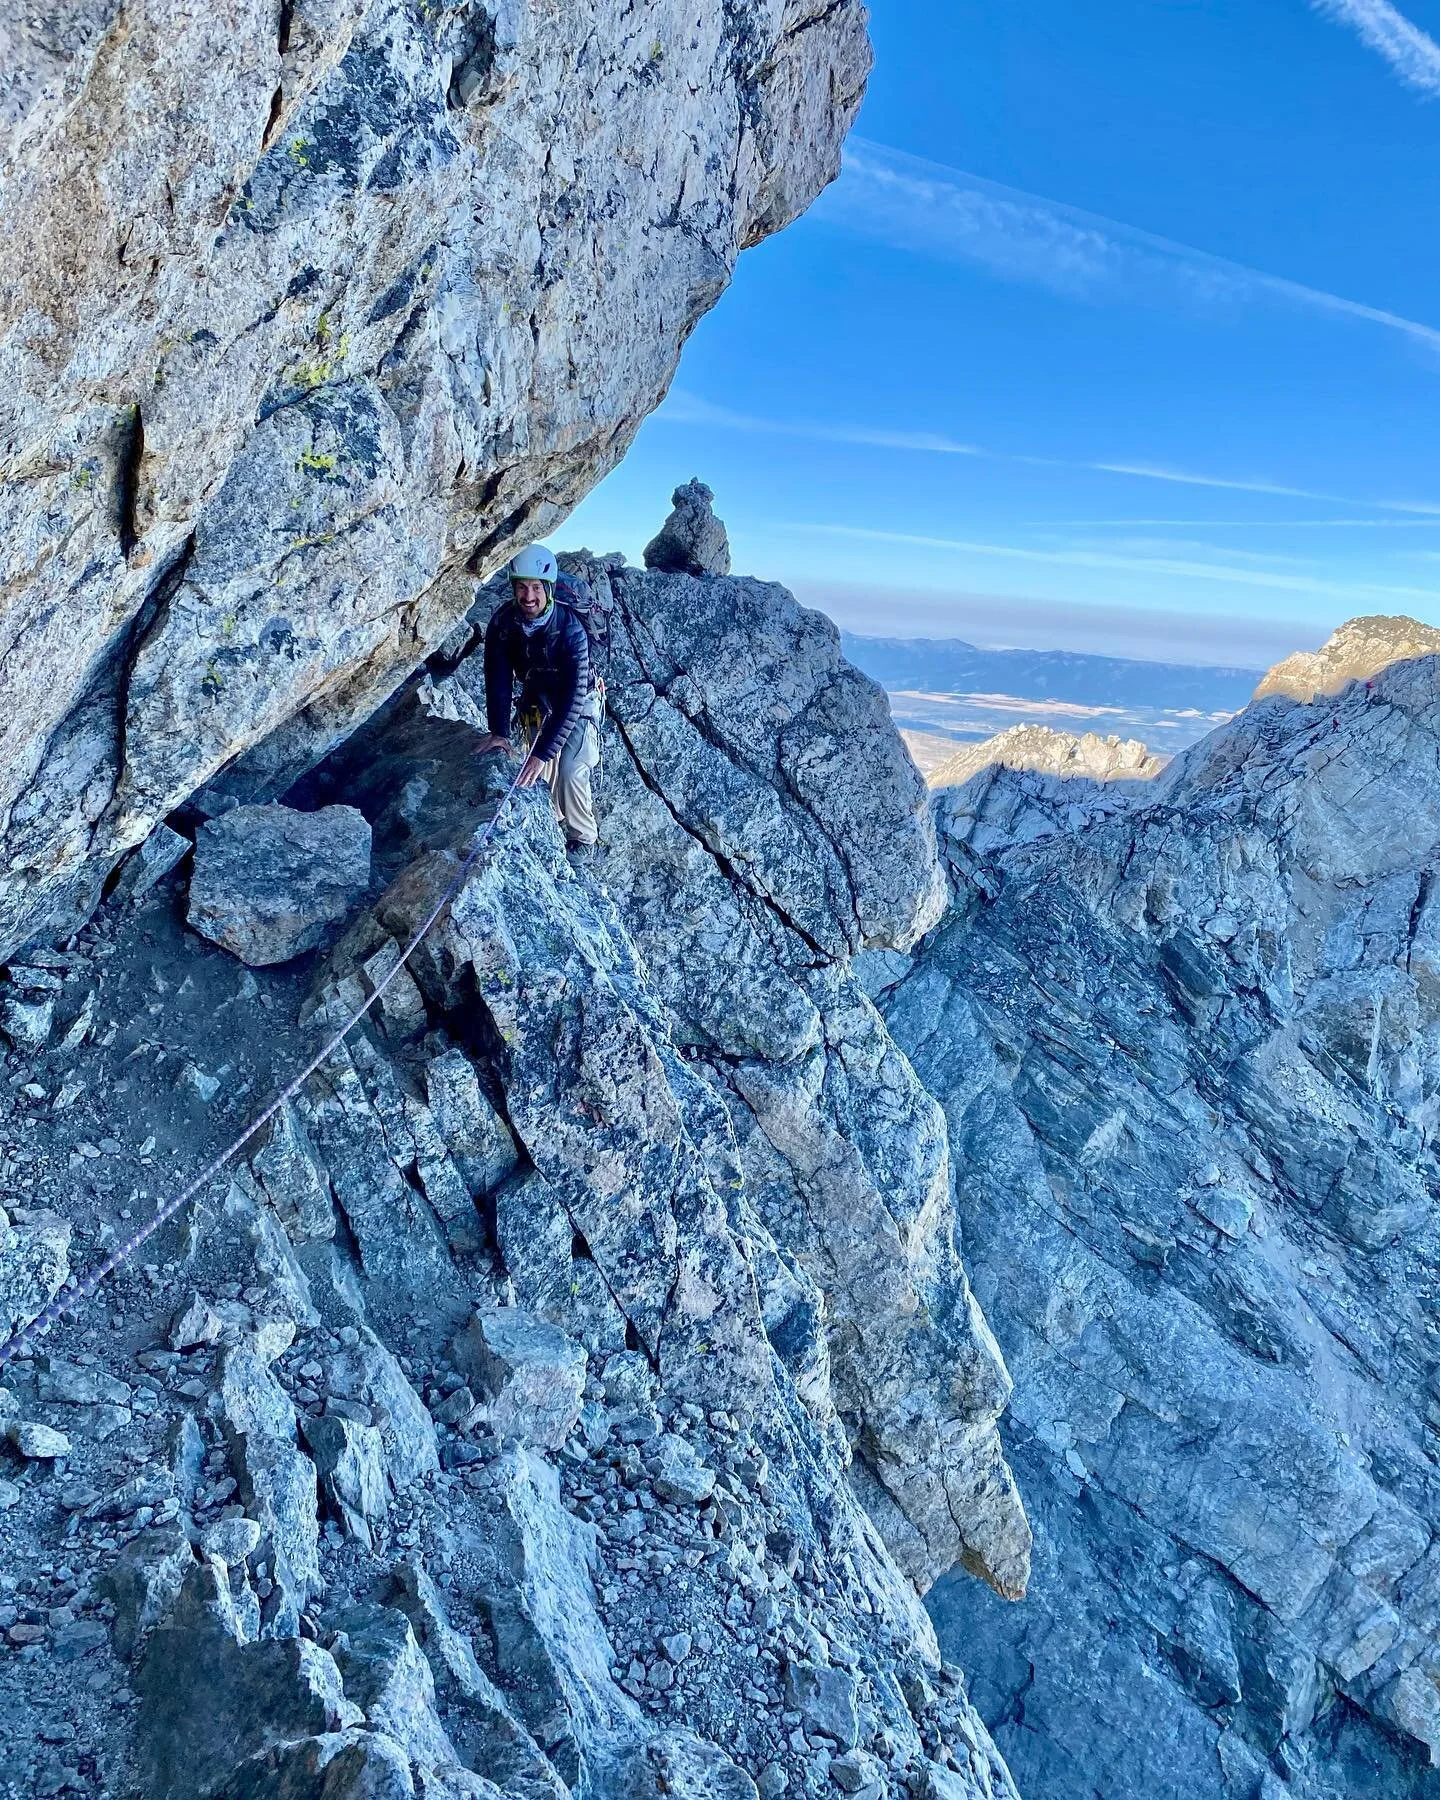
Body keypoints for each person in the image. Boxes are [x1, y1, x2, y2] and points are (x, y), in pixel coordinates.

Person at [474, 545, 601, 854]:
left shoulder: (571, 630)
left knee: (570, 768)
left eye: (534, 588)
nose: (528, 596)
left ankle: (584, 840)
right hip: (536, 696)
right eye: (521, 587)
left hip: (580, 699)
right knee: (534, 772)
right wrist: (499, 732)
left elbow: (572, 700)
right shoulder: (504, 624)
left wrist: (543, 752)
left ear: (548, 589)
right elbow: (498, 678)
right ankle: (549, 818)